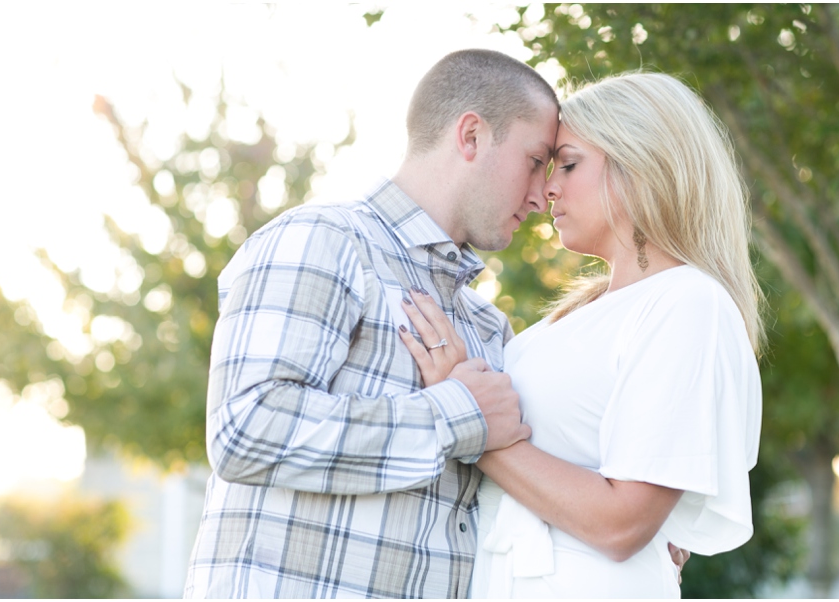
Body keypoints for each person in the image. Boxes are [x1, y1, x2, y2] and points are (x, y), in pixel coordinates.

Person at [183, 48, 559, 598]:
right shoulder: (324, 239)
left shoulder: (487, 325)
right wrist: (454, 415)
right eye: (535, 160)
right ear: (472, 136)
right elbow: (245, 429)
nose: (541, 196)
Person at [398, 71, 764, 598]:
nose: (548, 187)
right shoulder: (577, 315)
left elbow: (622, 524)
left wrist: (474, 426)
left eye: (569, 164)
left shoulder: (687, 302)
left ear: (641, 163)